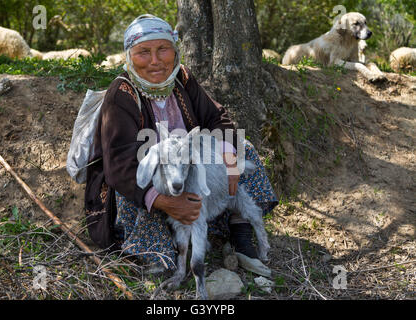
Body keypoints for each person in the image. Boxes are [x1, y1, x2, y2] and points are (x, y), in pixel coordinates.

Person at [85, 14, 278, 273]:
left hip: (184, 171)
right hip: (144, 182)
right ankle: (159, 249)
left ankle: (239, 228)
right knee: (138, 185)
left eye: (163, 49)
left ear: (175, 53)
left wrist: (229, 156)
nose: (155, 61)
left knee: (244, 150)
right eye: (144, 52)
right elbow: (119, 163)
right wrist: (166, 202)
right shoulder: (121, 94)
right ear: (129, 57)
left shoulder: (182, 78)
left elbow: (215, 117)